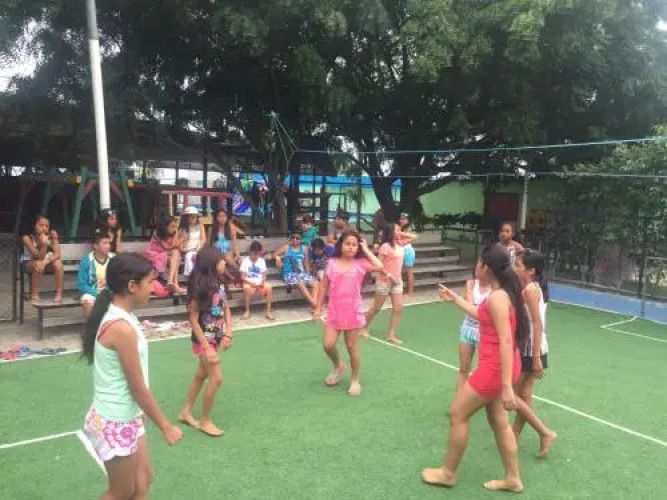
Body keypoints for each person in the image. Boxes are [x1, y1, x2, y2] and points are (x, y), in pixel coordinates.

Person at [422, 244, 527, 492]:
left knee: (458, 414)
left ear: (486, 268)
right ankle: (513, 478)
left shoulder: (498, 297)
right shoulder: (501, 294)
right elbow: (481, 315)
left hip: (495, 370)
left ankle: (448, 473)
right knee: (499, 421)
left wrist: (506, 386)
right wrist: (456, 299)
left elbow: (506, 340)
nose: (476, 267)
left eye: (478, 263)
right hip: (503, 366)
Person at [81, 253, 182, 499]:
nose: (153, 288)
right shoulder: (121, 328)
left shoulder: (126, 316)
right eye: (149, 282)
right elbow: (136, 387)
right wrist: (165, 426)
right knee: (122, 491)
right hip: (114, 420)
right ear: (132, 286)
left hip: (127, 415)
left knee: (143, 480)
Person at [314, 231, 388, 396]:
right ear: (341, 245)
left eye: (354, 244)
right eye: (347, 243)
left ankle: (355, 380)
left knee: (351, 347)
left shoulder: (361, 263)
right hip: (334, 311)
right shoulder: (331, 263)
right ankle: (339, 365)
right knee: (328, 345)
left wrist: (366, 249)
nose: (351, 247)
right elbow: (324, 285)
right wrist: (318, 307)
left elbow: (380, 266)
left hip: (353, 312)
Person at [179, 247, 233, 437]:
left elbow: (226, 308)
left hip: (215, 336)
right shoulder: (199, 288)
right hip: (203, 340)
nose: (224, 262)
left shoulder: (220, 283)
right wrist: (207, 347)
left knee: (201, 375)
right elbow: (193, 319)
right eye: (221, 259)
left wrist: (228, 332)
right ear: (212, 263)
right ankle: (205, 420)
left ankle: (185, 412)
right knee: (217, 378)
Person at [513, 249, 557, 457]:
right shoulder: (531, 287)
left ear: (531, 271)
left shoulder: (531, 289)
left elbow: (537, 324)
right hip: (532, 346)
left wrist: (536, 357)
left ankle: (544, 432)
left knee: (511, 393)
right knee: (524, 395)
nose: (514, 268)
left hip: (531, 348)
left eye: (518, 265)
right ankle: (515, 436)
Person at [362, 223, 404, 344]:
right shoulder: (385, 247)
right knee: (376, 308)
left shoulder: (400, 244)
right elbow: (378, 265)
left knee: (398, 308)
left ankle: (391, 335)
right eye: (397, 229)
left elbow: (414, 237)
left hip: (397, 281)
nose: (400, 231)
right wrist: (389, 275)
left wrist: (400, 233)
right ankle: (363, 327)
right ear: (391, 232)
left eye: (400, 229)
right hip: (384, 281)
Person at [454, 259, 491, 393]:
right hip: (467, 330)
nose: (477, 268)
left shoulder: (495, 289)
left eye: (480, 266)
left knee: (483, 370)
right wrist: (469, 288)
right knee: (464, 368)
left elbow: (475, 310)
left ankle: (481, 398)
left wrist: (469, 290)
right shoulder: (471, 284)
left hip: (485, 334)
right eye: (477, 265)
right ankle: (460, 398)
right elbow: (467, 307)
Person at [21, 214, 65, 304]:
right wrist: (44, 244)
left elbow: (57, 254)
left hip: (45, 262)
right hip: (28, 262)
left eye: (46, 226)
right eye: (41, 225)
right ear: (34, 226)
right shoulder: (27, 238)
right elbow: (38, 257)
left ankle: (59, 295)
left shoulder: (52, 234)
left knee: (58, 263)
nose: (44, 228)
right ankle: (34, 295)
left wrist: (45, 262)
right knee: (38, 264)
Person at [274, 233, 319, 309]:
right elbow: (274, 254)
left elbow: (306, 263)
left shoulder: (304, 248)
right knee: (300, 283)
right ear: (291, 239)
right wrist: (277, 258)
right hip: (289, 274)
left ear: (300, 240)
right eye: (293, 237)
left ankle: (313, 304)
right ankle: (315, 306)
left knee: (316, 282)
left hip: (301, 273)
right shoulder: (286, 247)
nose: (295, 239)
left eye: (297, 238)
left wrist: (308, 275)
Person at [78, 231, 115, 318]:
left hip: (111, 291)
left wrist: (109, 282)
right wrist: (97, 294)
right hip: (93, 292)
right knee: (87, 301)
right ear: (95, 245)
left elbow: (121, 279)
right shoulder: (86, 260)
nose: (108, 246)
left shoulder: (114, 259)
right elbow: (82, 285)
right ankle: (91, 326)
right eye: (105, 243)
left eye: (109, 243)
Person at [146, 216, 184, 294]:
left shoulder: (174, 232)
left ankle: (171, 282)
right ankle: (175, 284)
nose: (174, 228)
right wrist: (180, 241)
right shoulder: (157, 233)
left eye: (175, 226)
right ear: (165, 226)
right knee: (176, 255)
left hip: (167, 254)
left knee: (176, 254)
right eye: (172, 226)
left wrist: (176, 233)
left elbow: (174, 245)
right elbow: (167, 247)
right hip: (156, 254)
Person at [239, 241, 274, 320]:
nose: (255, 256)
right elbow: (243, 277)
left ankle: (268, 312)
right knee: (247, 288)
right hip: (249, 282)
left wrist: (262, 283)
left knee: (269, 287)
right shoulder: (245, 261)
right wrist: (253, 285)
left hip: (259, 283)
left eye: (257, 254)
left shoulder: (261, 261)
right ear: (250, 252)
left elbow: (264, 276)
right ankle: (247, 311)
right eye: (254, 254)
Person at [179, 206, 207, 277]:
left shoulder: (200, 225)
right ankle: (192, 277)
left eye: (194, 217)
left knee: (198, 256)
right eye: (189, 217)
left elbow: (203, 239)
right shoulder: (183, 229)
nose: (191, 219)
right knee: (189, 256)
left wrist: (198, 248)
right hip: (188, 251)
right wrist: (188, 249)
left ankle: (195, 277)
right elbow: (181, 246)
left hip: (199, 249)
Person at [397, 214, 418, 298]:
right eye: (401, 219)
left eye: (404, 219)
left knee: (409, 273)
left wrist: (399, 233)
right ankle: (400, 292)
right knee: (400, 273)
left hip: (408, 251)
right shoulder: (398, 228)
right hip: (399, 251)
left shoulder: (409, 228)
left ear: (408, 221)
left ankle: (410, 293)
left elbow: (410, 238)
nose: (402, 221)